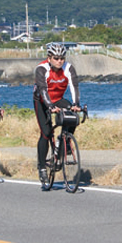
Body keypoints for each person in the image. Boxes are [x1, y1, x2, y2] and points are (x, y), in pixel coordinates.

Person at [33, 42, 83, 186]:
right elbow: (43, 89)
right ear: (49, 58)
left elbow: (74, 86)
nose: (59, 61)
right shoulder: (41, 69)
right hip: (42, 101)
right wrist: (49, 106)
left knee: (72, 117)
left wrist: (76, 104)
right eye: (56, 58)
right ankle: (42, 167)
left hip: (58, 99)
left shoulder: (68, 68)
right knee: (46, 133)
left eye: (62, 58)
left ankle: (64, 142)